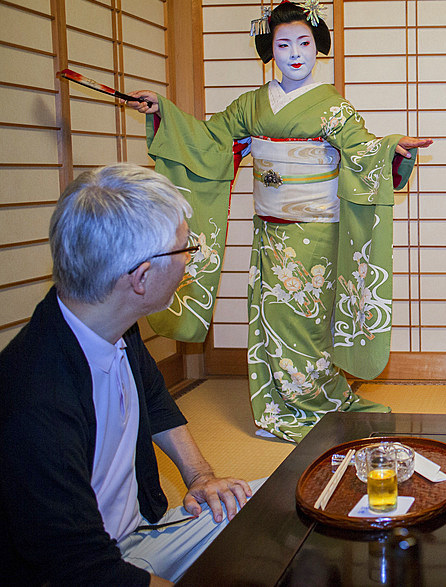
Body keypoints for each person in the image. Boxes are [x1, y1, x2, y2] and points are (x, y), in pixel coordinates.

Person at [127, 0, 432, 442]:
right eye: (283, 43)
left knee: (309, 320)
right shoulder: (250, 105)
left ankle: (314, 400)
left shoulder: (335, 109)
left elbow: (363, 149)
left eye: (304, 43)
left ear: (317, 48)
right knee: (271, 315)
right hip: (270, 228)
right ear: (270, 50)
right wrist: (162, 111)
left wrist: (391, 147)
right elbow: (208, 142)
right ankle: (277, 402)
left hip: (318, 231)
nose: (294, 53)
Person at [0, 164, 256, 585]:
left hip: (138, 536)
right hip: (89, 572)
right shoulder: (36, 399)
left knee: (276, 504)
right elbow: (84, 571)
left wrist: (201, 478)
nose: (190, 259)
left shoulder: (110, 320)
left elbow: (154, 401)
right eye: (184, 248)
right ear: (141, 277)